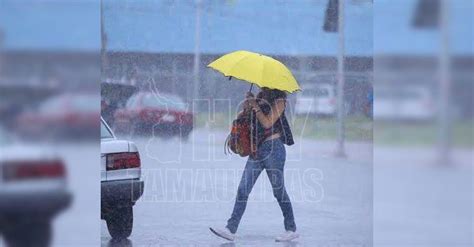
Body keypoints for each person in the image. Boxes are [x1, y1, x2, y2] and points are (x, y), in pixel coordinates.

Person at [210, 87, 299, 242]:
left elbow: (267, 123)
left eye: (265, 84)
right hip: (256, 150)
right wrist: (246, 106)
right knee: (243, 189)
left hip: (273, 149)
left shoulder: (280, 102)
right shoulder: (258, 98)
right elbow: (243, 118)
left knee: (278, 191)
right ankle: (230, 229)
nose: (262, 86)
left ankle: (291, 229)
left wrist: (255, 106)